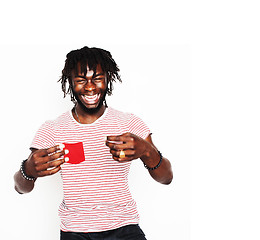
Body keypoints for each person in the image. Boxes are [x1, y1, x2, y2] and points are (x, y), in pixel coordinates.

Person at [14, 46, 173, 240]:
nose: (90, 87)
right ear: (70, 83)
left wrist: (147, 151)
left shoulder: (129, 123)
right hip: (75, 231)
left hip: (125, 228)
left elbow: (166, 178)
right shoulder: (52, 129)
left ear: (108, 79)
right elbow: (20, 188)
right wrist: (28, 170)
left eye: (97, 78)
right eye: (81, 80)